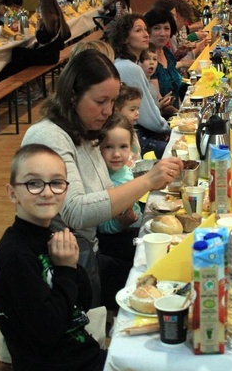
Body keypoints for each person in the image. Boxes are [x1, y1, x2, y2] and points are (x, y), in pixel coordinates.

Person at [20, 49, 181, 308]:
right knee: (159, 288)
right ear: (72, 96)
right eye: (100, 101)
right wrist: (148, 181)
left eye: (113, 101)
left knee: (165, 268)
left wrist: (127, 215)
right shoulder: (48, 137)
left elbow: (107, 194)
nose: (108, 111)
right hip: (62, 264)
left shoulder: (87, 129)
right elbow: (76, 211)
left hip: (92, 247)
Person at [0, 144, 106, 371]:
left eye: (56, 182)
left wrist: (71, 266)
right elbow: (48, 330)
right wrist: (64, 269)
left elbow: (83, 302)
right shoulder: (14, 256)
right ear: (12, 193)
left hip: (81, 356)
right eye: (33, 183)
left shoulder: (50, 235)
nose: (47, 192)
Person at [109, 14, 172, 157]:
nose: (145, 35)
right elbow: (147, 116)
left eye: (145, 30)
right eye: (138, 30)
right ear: (125, 38)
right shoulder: (130, 68)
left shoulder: (131, 64)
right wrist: (169, 129)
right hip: (132, 135)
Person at [96, 114, 144, 263]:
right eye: (108, 147)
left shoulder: (125, 169)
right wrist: (121, 222)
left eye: (123, 147)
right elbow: (101, 227)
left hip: (136, 226)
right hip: (116, 239)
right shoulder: (101, 180)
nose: (116, 154)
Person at [0, 0, 71, 82]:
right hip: (53, 55)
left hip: (47, 57)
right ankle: (18, 79)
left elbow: (42, 40)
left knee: (17, 52)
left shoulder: (50, 19)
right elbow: (67, 34)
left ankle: (13, 80)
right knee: (20, 55)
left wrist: (38, 29)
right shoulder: (58, 16)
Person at [144, 8, 183, 114]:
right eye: (157, 28)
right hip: (163, 119)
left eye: (166, 28)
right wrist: (182, 116)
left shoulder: (167, 53)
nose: (163, 33)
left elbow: (176, 92)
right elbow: (161, 102)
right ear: (148, 31)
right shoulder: (148, 60)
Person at [113, 83, 143, 165]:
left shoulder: (132, 130)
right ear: (117, 111)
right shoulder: (116, 134)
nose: (137, 113)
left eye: (138, 108)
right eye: (132, 110)